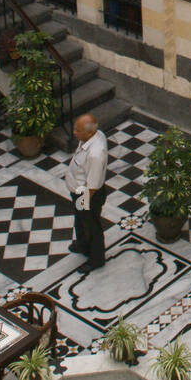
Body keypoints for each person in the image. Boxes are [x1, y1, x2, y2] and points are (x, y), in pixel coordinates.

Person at [66, 113, 108, 272]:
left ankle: (96, 259)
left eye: (77, 130)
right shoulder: (96, 136)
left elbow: (93, 184)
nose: (74, 132)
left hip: (88, 195)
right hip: (80, 192)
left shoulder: (95, 154)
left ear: (89, 133)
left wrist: (82, 203)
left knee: (91, 226)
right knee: (81, 220)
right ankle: (83, 244)